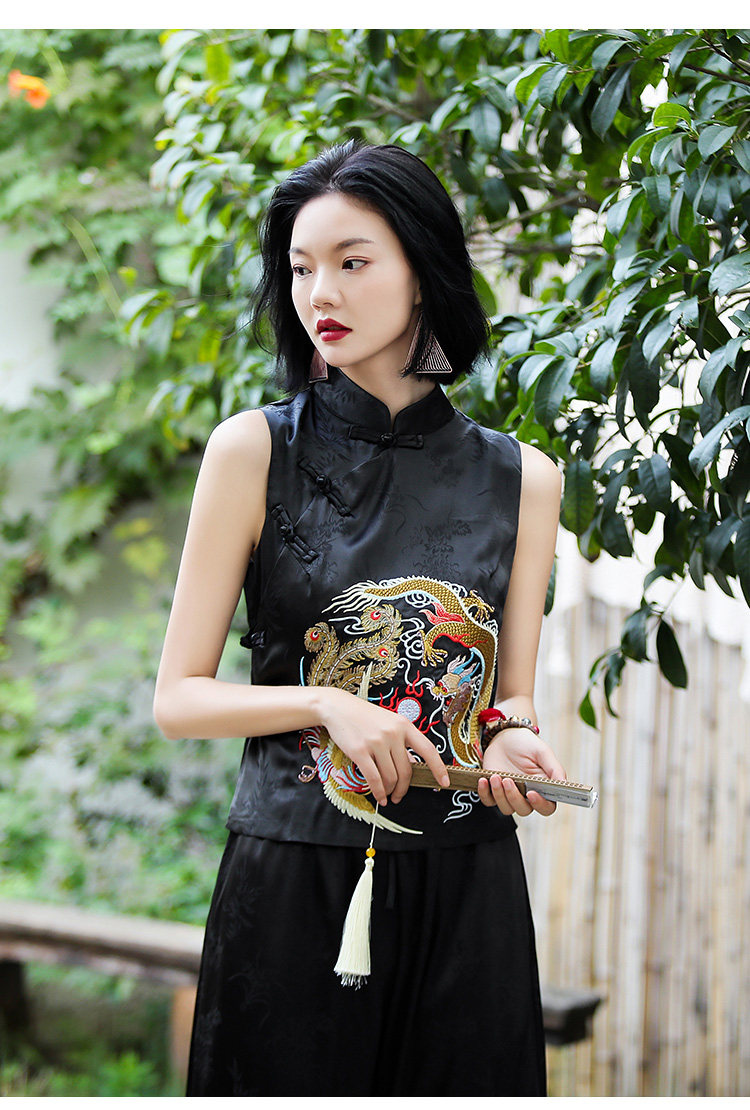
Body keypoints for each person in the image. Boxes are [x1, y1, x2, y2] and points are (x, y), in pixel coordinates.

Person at [153, 141, 565, 1097]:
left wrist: (511, 741)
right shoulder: (252, 451)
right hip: (293, 887)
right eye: (301, 268)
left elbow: (507, 700)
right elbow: (178, 699)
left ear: (422, 270)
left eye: (352, 261)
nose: (319, 294)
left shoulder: (525, 478)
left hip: (467, 889)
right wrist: (327, 705)